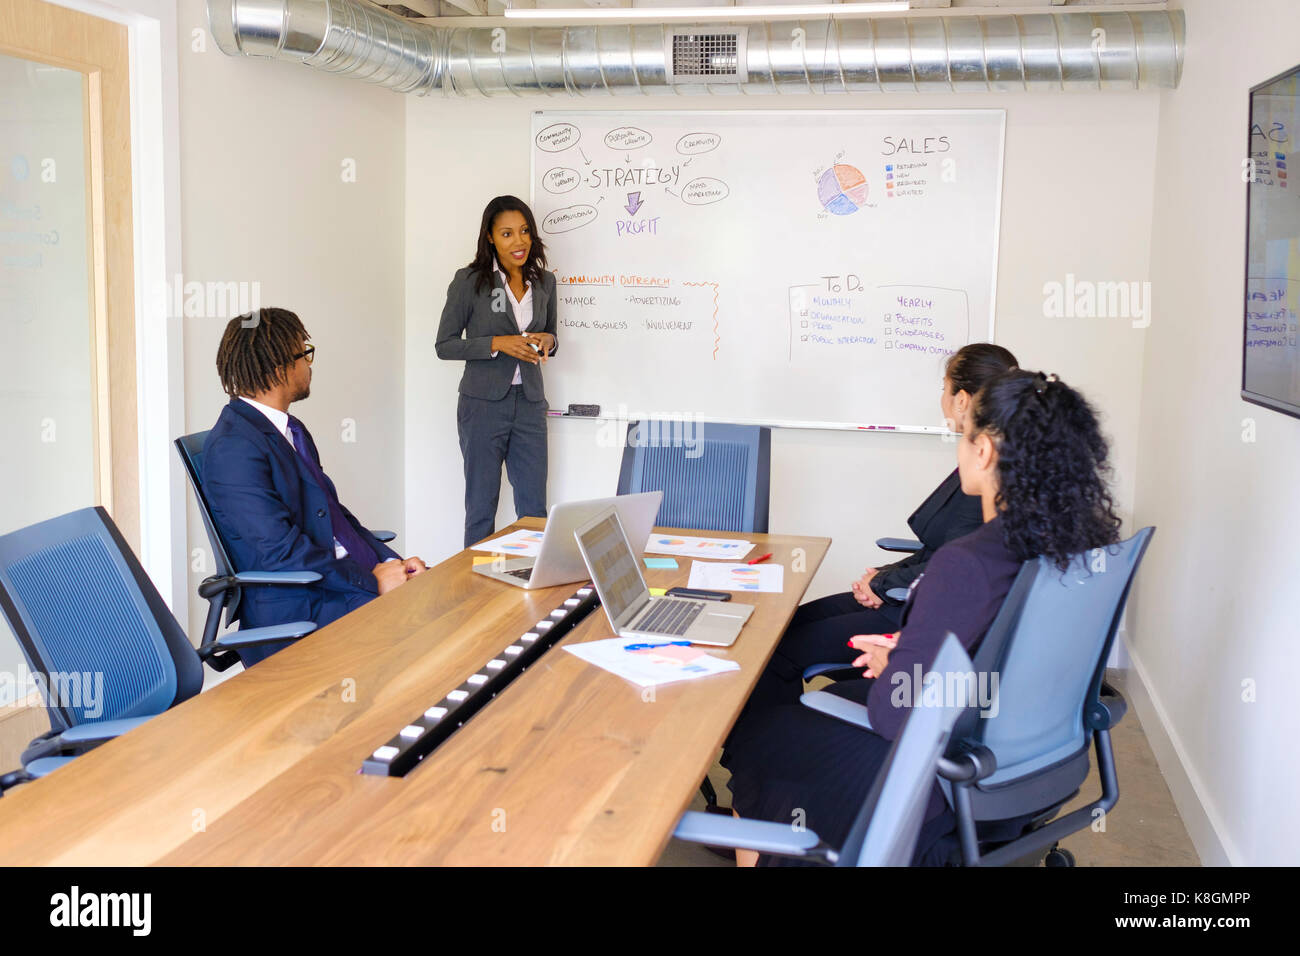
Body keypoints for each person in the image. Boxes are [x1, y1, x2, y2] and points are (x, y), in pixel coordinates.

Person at [721, 370, 1123, 866]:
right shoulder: (1075, 549)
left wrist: (896, 666)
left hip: (940, 779)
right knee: (811, 711)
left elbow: (894, 715)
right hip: (1032, 765)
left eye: (966, 434)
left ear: (985, 451)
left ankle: (770, 834)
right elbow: (1016, 650)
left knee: (763, 741)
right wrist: (913, 656)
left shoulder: (968, 562)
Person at [742, 343, 1019, 712]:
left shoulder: (983, 480)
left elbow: (954, 568)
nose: (942, 397)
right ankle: (763, 746)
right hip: (907, 596)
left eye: (944, 387)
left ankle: (767, 746)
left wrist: (884, 585)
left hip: (911, 612)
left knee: (773, 648)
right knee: (785, 623)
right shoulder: (996, 464)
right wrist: (884, 576)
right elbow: (941, 552)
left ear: (962, 400)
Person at [203, 307, 427, 667]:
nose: (310, 364)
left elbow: (335, 517)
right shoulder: (233, 447)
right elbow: (281, 552)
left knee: (434, 593)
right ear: (279, 368)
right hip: (299, 604)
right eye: (304, 353)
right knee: (425, 630)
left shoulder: (290, 430)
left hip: (329, 583)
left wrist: (390, 562)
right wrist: (372, 581)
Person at [436, 196, 558, 548]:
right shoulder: (470, 281)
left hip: (531, 404)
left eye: (524, 232)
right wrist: (497, 343)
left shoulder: (545, 281)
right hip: (482, 406)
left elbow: (553, 334)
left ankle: (535, 590)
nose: (518, 242)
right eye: (507, 233)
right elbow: (444, 345)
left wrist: (547, 339)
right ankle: (475, 596)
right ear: (490, 236)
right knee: (481, 507)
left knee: (534, 510)